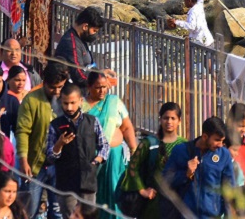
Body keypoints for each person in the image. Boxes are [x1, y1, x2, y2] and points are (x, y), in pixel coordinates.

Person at [15, 61, 69, 219]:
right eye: (53, 87)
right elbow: (23, 131)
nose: (57, 91)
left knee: (58, 213)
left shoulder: (69, 99)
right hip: (35, 166)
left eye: (60, 87)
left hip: (61, 166)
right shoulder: (31, 100)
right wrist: (23, 161)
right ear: (44, 82)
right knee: (29, 210)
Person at [46, 83, 109, 218]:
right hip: (66, 183)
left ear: (81, 101)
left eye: (73, 103)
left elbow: (104, 145)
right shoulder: (55, 125)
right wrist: (59, 144)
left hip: (88, 181)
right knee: (70, 216)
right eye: (65, 103)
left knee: (88, 216)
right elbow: (50, 157)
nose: (69, 107)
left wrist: (97, 160)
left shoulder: (92, 121)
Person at [83, 71, 136, 219]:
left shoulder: (114, 101)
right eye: (98, 87)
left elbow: (126, 127)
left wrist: (134, 149)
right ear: (89, 87)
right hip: (93, 159)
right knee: (96, 193)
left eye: (105, 87)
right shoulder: (81, 105)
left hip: (113, 158)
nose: (102, 91)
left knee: (115, 191)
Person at [161, 117, 235, 219]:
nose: (220, 145)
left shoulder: (224, 155)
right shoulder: (181, 151)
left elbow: (229, 189)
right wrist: (185, 174)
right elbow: (164, 181)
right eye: (217, 140)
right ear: (205, 136)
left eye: (222, 141)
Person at [120, 103, 184, 219]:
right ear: (160, 120)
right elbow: (133, 167)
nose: (169, 121)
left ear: (179, 121)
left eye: (173, 118)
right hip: (152, 203)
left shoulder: (184, 145)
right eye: (166, 118)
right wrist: (142, 190)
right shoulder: (149, 143)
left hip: (176, 201)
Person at [55, 6, 103, 84]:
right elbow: (79, 75)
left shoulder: (80, 39)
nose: (95, 34)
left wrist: (100, 73)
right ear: (85, 27)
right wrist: (100, 77)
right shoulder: (71, 43)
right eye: (94, 30)